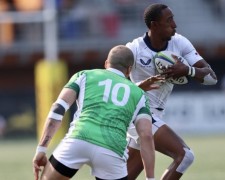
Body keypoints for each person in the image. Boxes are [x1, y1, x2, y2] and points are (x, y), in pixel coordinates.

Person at [32, 45, 155, 180]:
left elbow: (57, 109)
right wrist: (150, 178)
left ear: (106, 63)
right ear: (129, 70)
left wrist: (41, 149)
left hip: (78, 139)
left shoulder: (84, 75)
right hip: (112, 149)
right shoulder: (139, 94)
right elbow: (146, 135)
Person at [125, 3, 217, 180]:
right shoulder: (134, 49)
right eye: (169, 20)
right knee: (184, 156)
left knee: (126, 176)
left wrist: (188, 70)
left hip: (155, 115)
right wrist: (139, 86)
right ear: (154, 25)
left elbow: (212, 77)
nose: (175, 24)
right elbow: (113, 78)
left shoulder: (179, 42)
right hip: (137, 113)